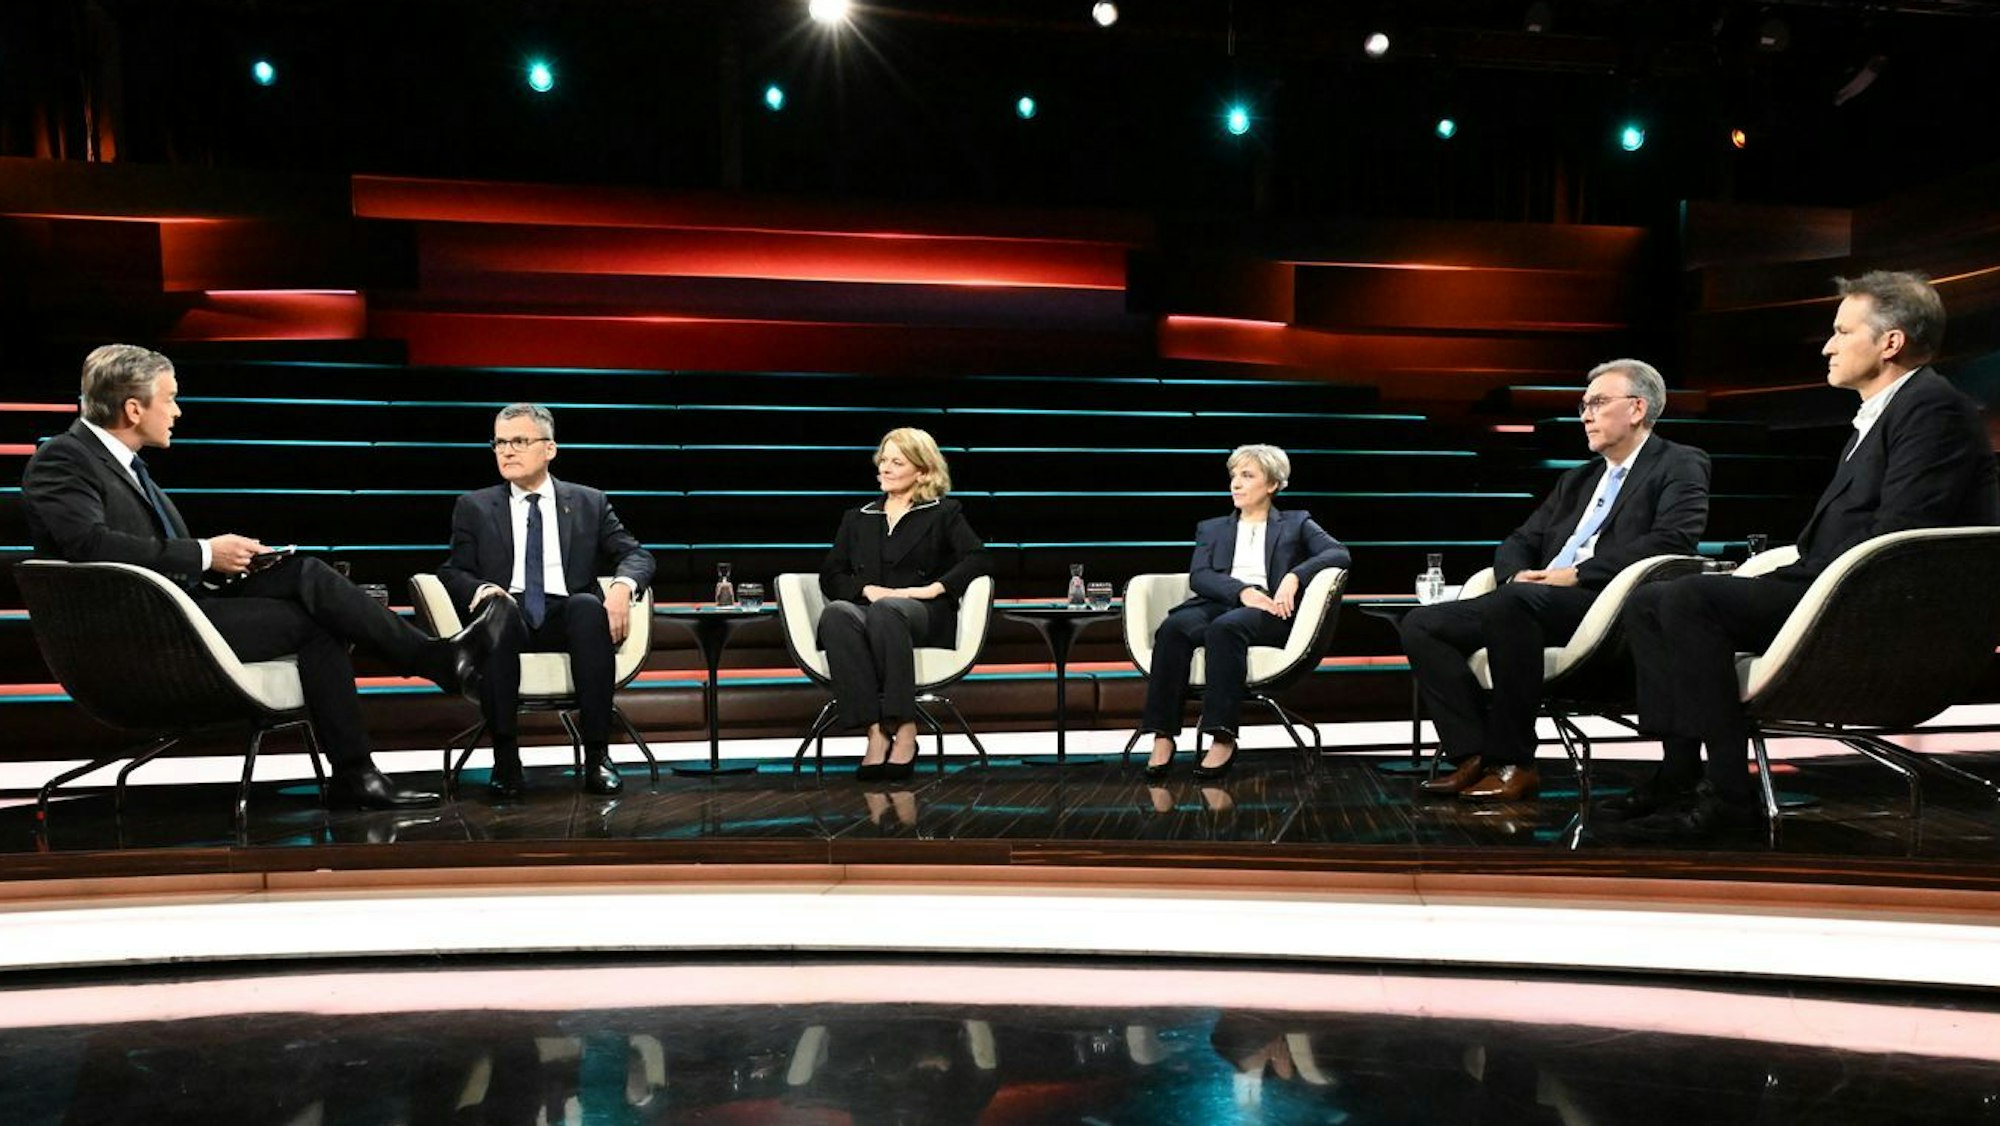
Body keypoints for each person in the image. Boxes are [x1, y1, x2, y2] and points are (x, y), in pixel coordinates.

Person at [20, 344, 498, 809]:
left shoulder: (125, 466)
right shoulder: (63, 458)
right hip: (141, 632)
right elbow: (90, 546)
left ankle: (417, 686)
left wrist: (230, 561)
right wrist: (206, 554)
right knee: (317, 625)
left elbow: (150, 555)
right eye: (170, 398)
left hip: (179, 607)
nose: (178, 411)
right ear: (132, 408)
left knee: (303, 572)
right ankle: (388, 728)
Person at [1611, 271, 2000, 842]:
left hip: (1866, 602)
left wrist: (1809, 576)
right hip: (1830, 582)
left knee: (1688, 600)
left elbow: (1904, 535)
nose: (1827, 345)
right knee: (1651, 603)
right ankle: (1676, 777)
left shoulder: (1932, 410)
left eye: (1842, 331)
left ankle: (1727, 797)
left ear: (1890, 343)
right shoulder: (1890, 413)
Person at [1399, 360, 1711, 803]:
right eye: (1583, 405)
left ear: (1638, 409)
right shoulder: (1578, 478)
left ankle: (1515, 762)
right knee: (1422, 625)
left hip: (1610, 603)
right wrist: (1513, 573)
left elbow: (1674, 539)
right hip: (1538, 599)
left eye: (1598, 403)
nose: (1584, 415)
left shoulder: (1679, 463)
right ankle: (1473, 754)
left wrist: (1578, 573)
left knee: (1514, 605)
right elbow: (1521, 538)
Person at [436, 403, 656, 798]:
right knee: (499, 616)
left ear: (549, 449)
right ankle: (505, 760)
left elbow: (637, 554)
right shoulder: (474, 506)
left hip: (566, 615)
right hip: (510, 613)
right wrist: (482, 590)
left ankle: (597, 758)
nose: (506, 451)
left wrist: (622, 588)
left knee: (588, 606)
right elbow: (453, 571)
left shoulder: (589, 502)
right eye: (499, 442)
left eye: (519, 441)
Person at [1138, 444, 1350, 781]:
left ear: (1271, 484)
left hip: (1267, 609)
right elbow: (1200, 576)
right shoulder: (1212, 528)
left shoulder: (1297, 523)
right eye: (1233, 476)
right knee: (1173, 629)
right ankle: (1163, 734)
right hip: (1220, 600)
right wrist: (1241, 591)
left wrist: (1295, 576)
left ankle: (1223, 735)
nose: (1235, 483)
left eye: (1247, 476)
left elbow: (1338, 554)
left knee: (1225, 629)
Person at [817, 428, 990, 782]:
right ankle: (875, 733)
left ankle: (907, 729)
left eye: (897, 461)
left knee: (889, 609)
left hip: (923, 613)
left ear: (922, 471)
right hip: (871, 608)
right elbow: (831, 574)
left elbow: (977, 558)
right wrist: (865, 590)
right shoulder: (859, 516)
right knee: (836, 614)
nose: (885, 467)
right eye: (883, 459)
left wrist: (931, 590)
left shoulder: (943, 512)